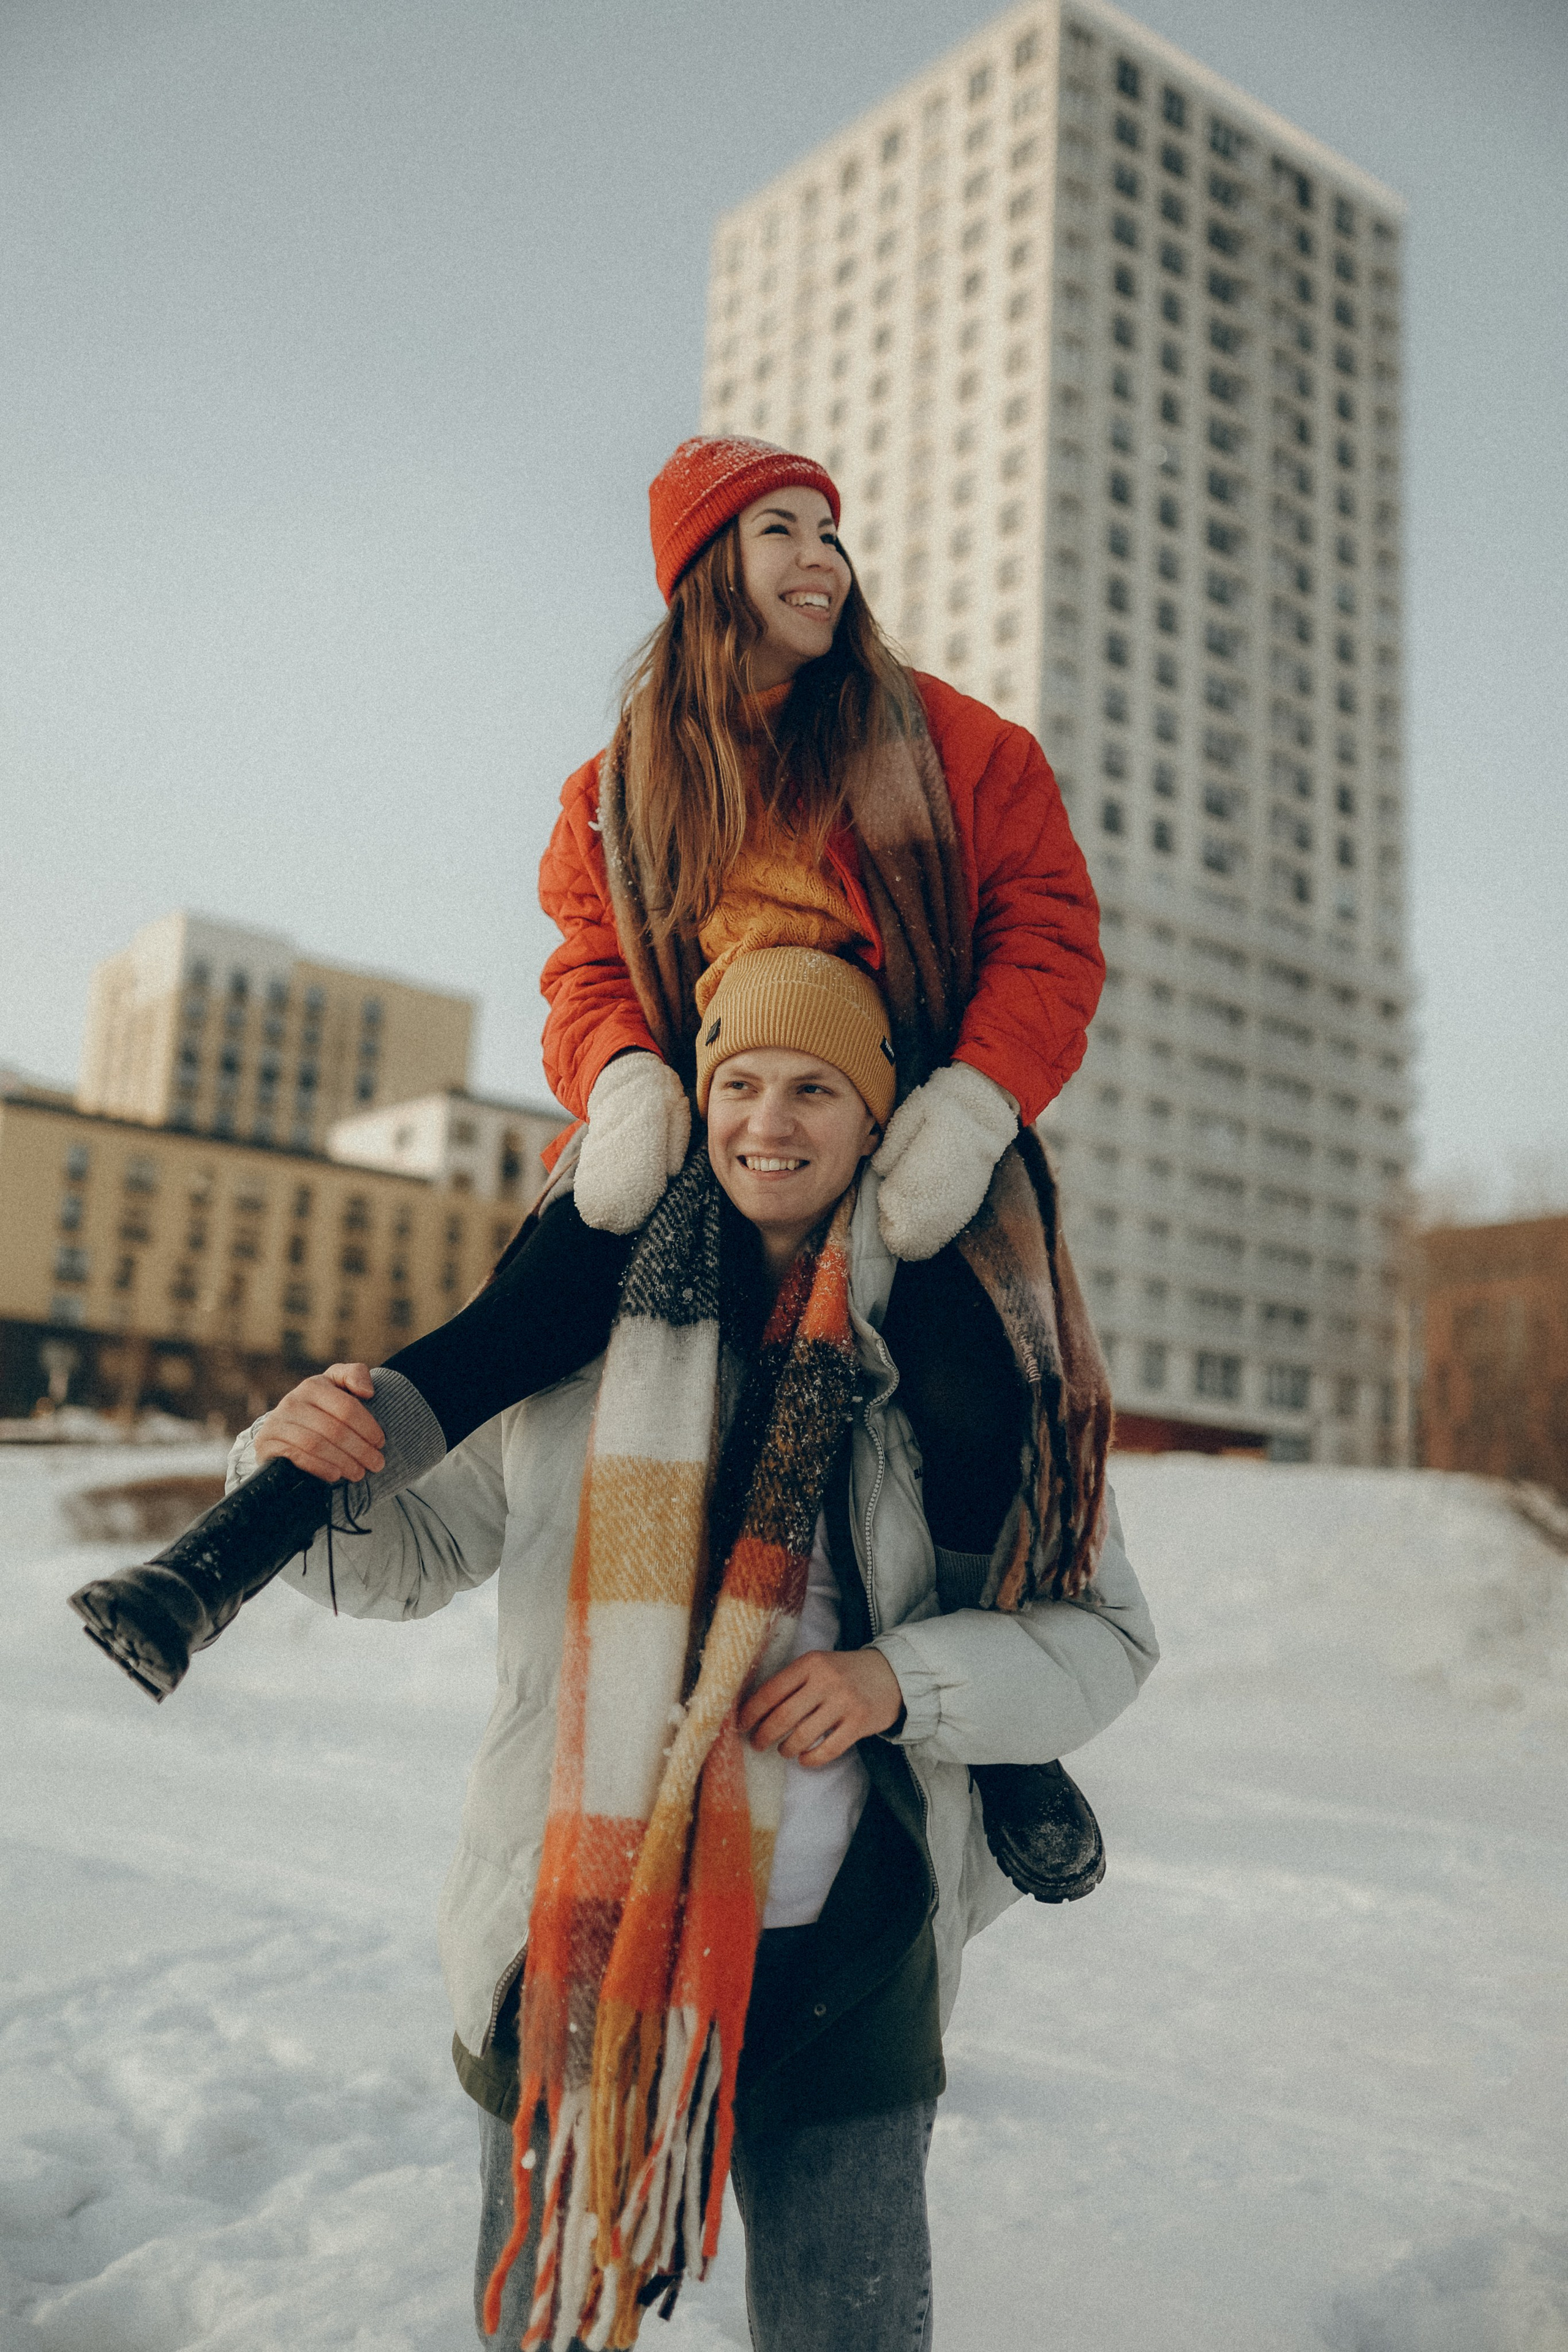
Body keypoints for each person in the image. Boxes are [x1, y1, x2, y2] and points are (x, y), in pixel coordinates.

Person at [67, 432, 1106, 1704]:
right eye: (780, 530)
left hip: (899, 1118)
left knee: (973, 1377)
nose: (820, 559)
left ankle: (982, 1693)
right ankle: (238, 1544)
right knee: (526, 1311)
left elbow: (1047, 927)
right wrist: (623, 1080)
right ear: (707, 568)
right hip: (707, 1121)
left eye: (829, 533)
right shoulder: (622, 790)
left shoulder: (954, 746)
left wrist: (973, 1101)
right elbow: (587, 965)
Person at [220, 949, 1159, 2352]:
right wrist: (290, 1466)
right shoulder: (565, 1341)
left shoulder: (957, 1371)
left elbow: (1101, 1641)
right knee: (540, 2329)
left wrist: (897, 1683)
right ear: (693, 1102)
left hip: (848, 1956)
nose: (768, 1123)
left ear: (875, 1121)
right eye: (736, 1084)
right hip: (571, 1943)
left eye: (811, 1089)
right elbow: (402, 1562)